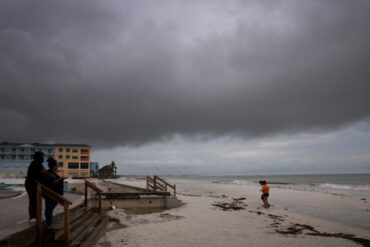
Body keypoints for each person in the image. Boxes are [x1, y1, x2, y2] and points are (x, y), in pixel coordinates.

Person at [25, 151, 49, 221]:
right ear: (37, 158)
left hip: (35, 185)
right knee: (33, 200)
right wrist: (49, 174)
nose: (43, 159)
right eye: (42, 157)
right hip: (31, 185)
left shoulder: (39, 165)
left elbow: (44, 172)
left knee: (36, 200)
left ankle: (37, 216)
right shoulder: (34, 164)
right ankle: (32, 217)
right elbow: (41, 173)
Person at [44, 157, 64, 227]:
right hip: (51, 195)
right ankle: (48, 225)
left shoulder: (51, 173)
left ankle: (48, 224)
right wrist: (59, 180)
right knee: (48, 210)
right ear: (54, 166)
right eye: (57, 165)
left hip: (52, 195)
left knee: (48, 210)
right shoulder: (49, 173)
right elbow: (50, 184)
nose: (57, 166)